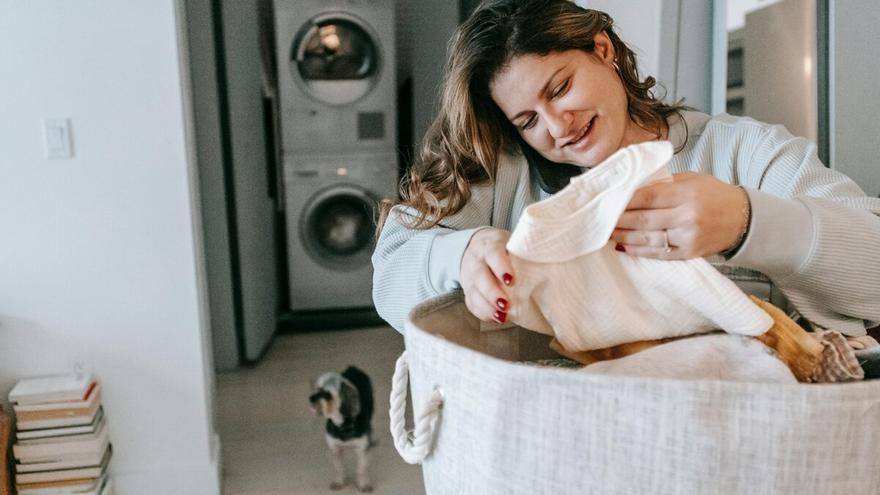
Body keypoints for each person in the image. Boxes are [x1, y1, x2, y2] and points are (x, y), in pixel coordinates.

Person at [372, 0, 880, 339]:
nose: (557, 125)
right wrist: (460, 252)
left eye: (560, 88)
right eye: (528, 120)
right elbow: (389, 274)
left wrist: (747, 222)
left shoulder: (742, 152)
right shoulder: (507, 172)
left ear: (602, 49)